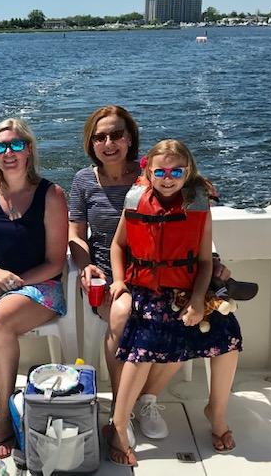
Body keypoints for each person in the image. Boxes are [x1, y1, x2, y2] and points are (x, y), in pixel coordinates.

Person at [106, 139, 241, 466]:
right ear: (149, 173)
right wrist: (120, 281)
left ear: (187, 172)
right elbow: (118, 245)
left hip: (188, 288)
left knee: (229, 336)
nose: (168, 178)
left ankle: (216, 412)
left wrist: (197, 301)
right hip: (148, 290)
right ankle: (119, 424)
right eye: (161, 172)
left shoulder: (198, 205)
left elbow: (205, 262)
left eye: (176, 172)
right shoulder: (136, 200)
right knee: (146, 343)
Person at [0, 118, 68, 459]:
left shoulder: (51, 194)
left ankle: (5, 415)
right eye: (0, 147)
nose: (9, 153)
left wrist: (12, 281)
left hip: (39, 285)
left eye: (16, 145)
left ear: (29, 150)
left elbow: (55, 262)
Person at [68, 105, 178, 443]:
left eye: (116, 135)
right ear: (91, 143)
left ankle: (147, 400)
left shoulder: (151, 177)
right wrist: (85, 264)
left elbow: (184, 210)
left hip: (155, 272)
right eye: (100, 137)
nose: (109, 143)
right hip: (105, 276)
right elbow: (75, 235)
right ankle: (121, 409)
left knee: (187, 317)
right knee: (122, 315)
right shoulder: (83, 180)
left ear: (130, 139)